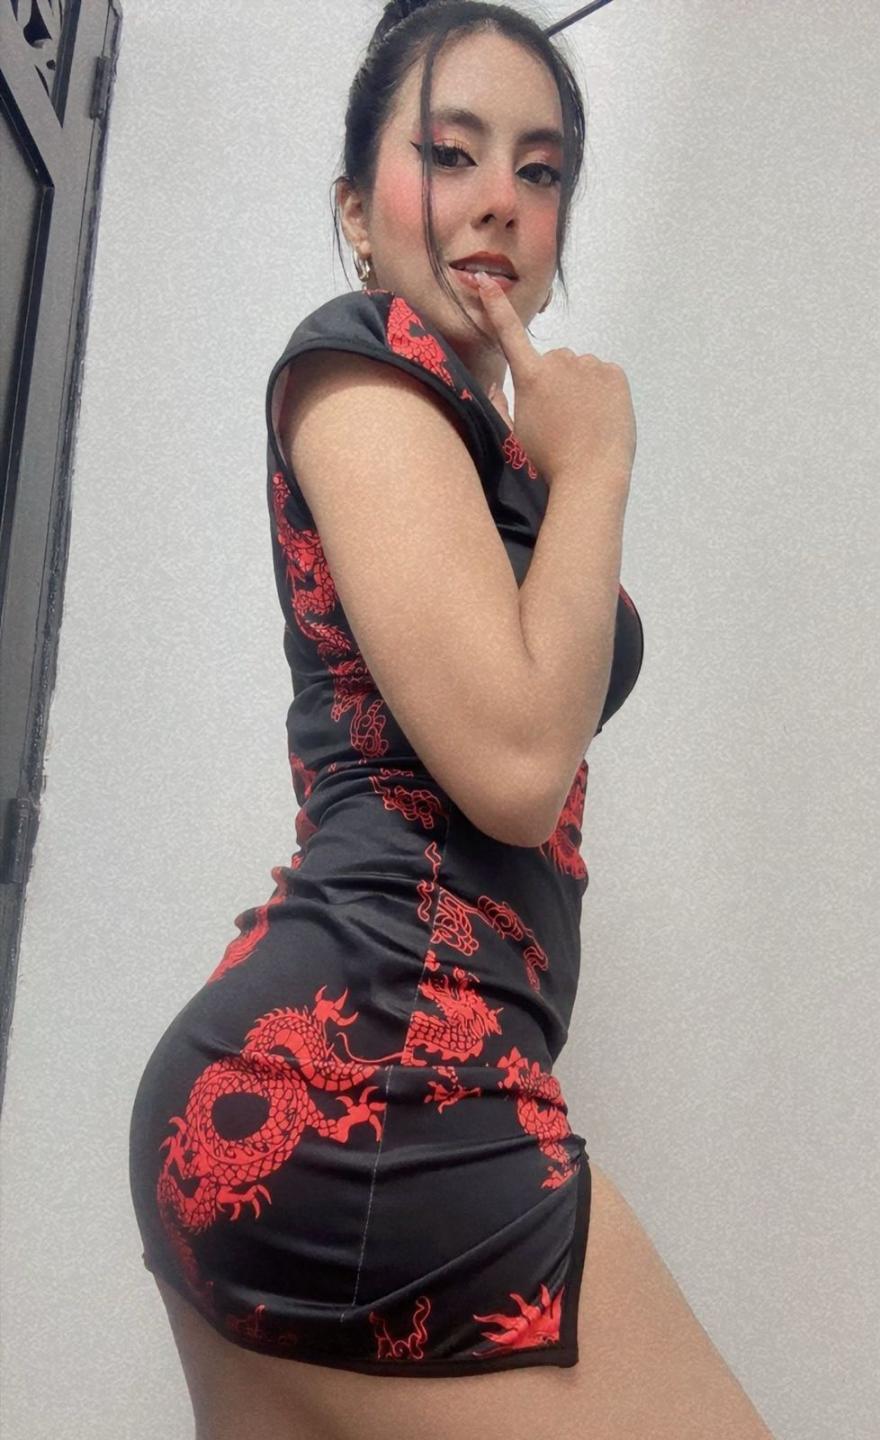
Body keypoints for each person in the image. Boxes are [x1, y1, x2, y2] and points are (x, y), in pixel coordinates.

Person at [128, 3, 776, 1436]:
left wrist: (557, 469)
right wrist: (598, 461)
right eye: (451, 150)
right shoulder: (365, 366)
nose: (501, 198)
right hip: (376, 1075)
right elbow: (516, 764)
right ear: (357, 212)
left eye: (541, 170)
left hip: (325, 1076)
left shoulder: (478, 444)